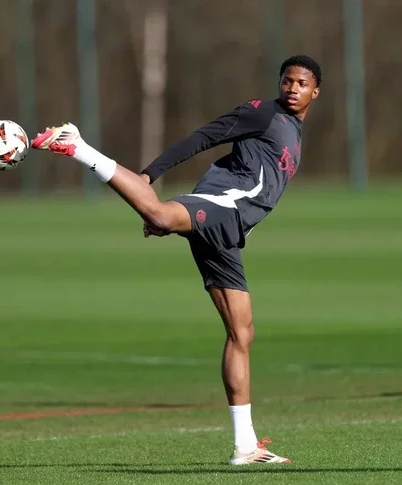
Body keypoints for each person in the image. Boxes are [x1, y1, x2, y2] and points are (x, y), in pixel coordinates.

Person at [31, 54, 321, 465]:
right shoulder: (264, 113)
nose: (293, 88)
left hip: (231, 231)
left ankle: (245, 446)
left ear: (315, 91)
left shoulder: (293, 130)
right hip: (222, 206)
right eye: (287, 80)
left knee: (243, 332)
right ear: (279, 84)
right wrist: (151, 173)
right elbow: (204, 137)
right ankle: (77, 145)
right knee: (158, 213)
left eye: (301, 83)